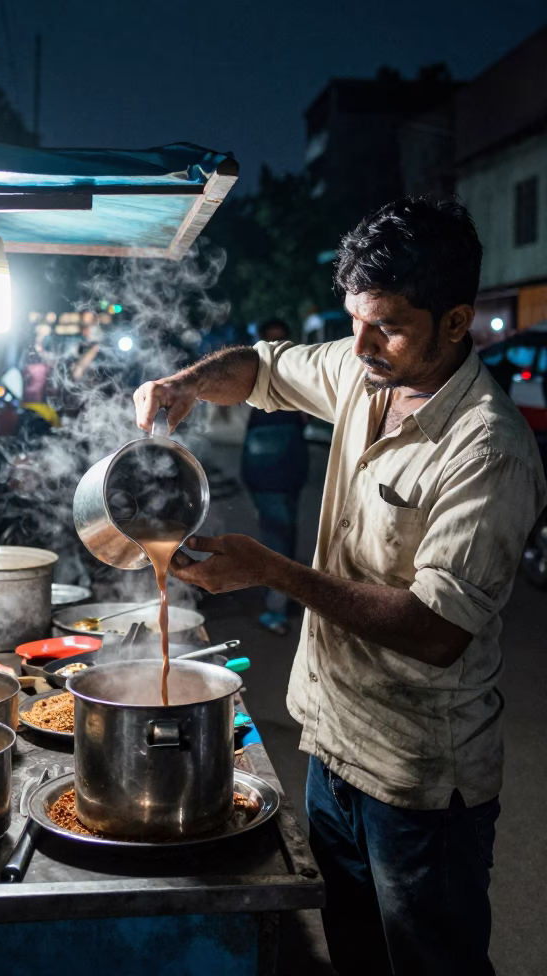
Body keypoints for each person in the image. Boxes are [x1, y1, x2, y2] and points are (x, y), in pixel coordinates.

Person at [133, 197, 547, 976]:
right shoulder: (367, 370)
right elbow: (264, 366)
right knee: (355, 955)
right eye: (352, 319)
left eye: (385, 325)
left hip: (418, 781)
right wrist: (185, 382)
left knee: (431, 964)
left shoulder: (489, 450)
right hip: (332, 746)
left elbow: (436, 629)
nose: (358, 346)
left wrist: (270, 571)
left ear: (456, 322)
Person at [240, 318, 309, 635]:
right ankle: (278, 604)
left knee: (278, 532)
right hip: (281, 460)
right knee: (280, 532)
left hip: (273, 463)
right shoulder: (297, 372)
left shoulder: (253, 370)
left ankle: (278, 604)